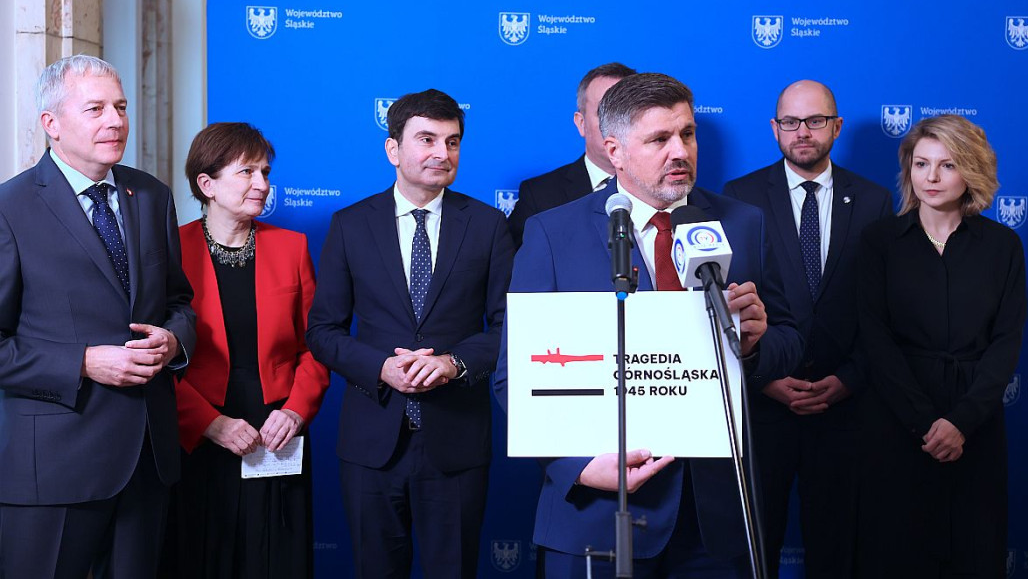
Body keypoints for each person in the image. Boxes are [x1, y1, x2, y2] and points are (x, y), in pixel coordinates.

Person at [494, 73, 803, 577]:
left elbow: (789, 343)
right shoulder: (551, 233)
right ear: (614, 151)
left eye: (687, 134)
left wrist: (751, 345)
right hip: (596, 515)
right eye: (659, 139)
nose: (680, 151)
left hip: (713, 521)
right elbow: (515, 377)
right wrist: (577, 466)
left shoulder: (743, 223)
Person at [0, 55, 196, 578]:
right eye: (96, 109)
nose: (115, 121)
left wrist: (173, 341)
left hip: (147, 461)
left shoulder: (151, 195)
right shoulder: (10, 208)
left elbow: (179, 303)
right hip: (54, 468)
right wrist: (84, 362)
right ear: (51, 122)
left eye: (121, 107)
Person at [307, 89, 514, 578]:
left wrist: (453, 363)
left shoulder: (487, 225)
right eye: (427, 139)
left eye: (452, 141)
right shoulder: (350, 225)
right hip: (372, 442)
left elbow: (510, 326)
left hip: (457, 441)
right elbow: (323, 330)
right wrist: (380, 367)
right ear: (393, 149)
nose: (442, 153)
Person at [722, 80, 893, 577]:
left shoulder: (874, 200)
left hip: (843, 411)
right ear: (774, 128)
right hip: (763, 410)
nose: (803, 132)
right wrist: (763, 379)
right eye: (791, 122)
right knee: (757, 551)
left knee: (837, 553)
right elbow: (724, 306)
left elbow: (881, 310)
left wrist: (849, 380)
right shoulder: (740, 197)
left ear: (836, 127)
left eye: (815, 121)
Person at [855, 114, 1026, 578]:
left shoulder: (1003, 246)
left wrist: (961, 423)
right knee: (896, 554)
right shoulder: (879, 241)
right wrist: (924, 423)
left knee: (975, 552)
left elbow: (1007, 342)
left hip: (976, 425)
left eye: (947, 165)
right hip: (896, 422)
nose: (931, 177)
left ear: (971, 170)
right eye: (921, 164)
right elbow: (875, 339)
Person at [165, 123, 329, 578]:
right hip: (198, 435)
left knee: (276, 558)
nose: (262, 184)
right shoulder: (170, 250)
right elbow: (158, 357)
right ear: (207, 184)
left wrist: (295, 411)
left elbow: (316, 345)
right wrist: (208, 423)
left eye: (265, 172)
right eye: (247, 172)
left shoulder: (292, 247)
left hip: (276, 434)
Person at [507, 62, 637, 247]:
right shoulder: (540, 196)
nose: (617, 123)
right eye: (605, 111)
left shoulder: (667, 189)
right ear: (581, 123)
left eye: (626, 111)